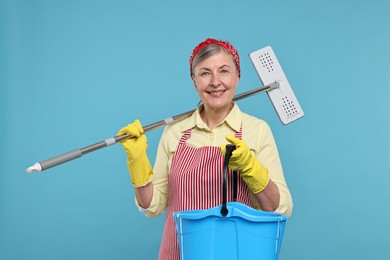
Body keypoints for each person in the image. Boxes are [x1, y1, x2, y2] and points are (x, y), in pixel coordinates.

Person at [117, 38, 293, 260]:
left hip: (237, 253)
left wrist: (250, 168)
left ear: (238, 77)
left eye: (224, 71)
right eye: (205, 73)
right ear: (194, 81)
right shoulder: (175, 132)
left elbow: (279, 210)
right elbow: (152, 206)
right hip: (178, 253)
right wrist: (138, 163)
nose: (215, 82)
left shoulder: (256, 130)